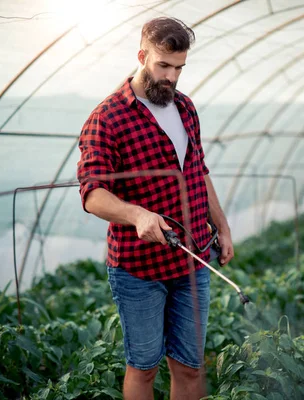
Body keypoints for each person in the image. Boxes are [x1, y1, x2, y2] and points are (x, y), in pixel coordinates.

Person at [76, 17, 234, 400]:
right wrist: (137, 215)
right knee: (144, 368)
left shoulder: (185, 107)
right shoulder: (108, 117)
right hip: (139, 269)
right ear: (142, 55)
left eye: (179, 67)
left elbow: (198, 171)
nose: (172, 77)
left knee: (191, 367)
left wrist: (223, 228)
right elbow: (93, 194)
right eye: (164, 65)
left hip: (194, 259)